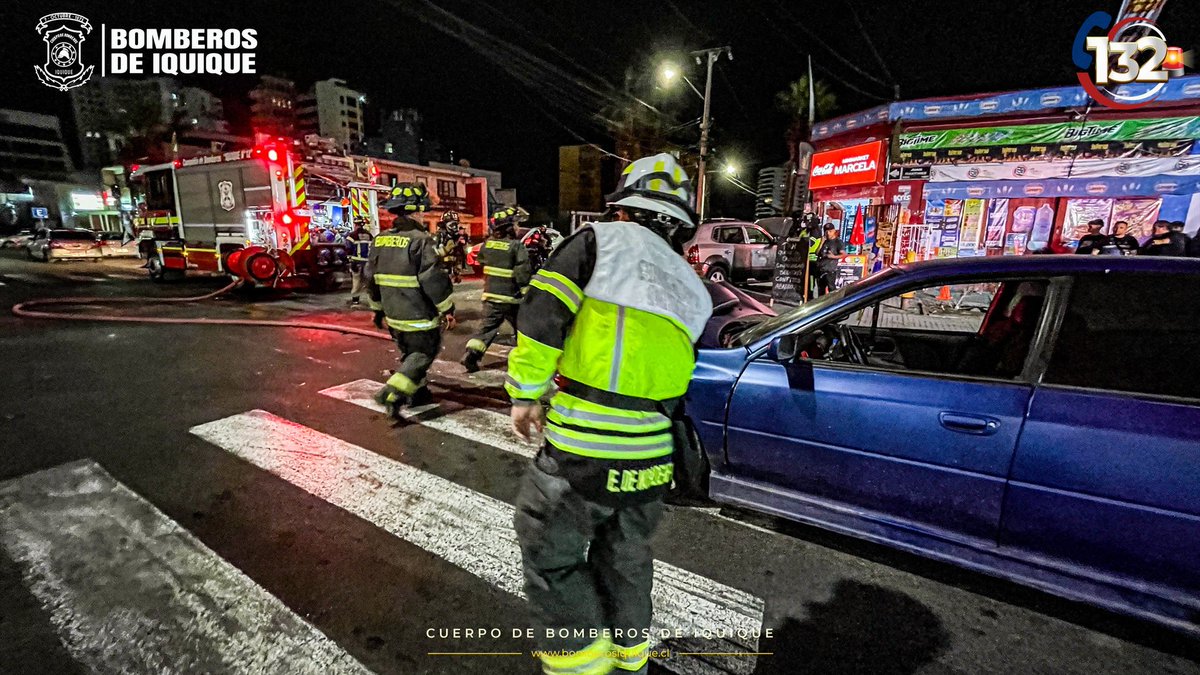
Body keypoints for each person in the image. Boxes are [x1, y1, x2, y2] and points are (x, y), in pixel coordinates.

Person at [508, 152, 713, 675]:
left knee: (550, 556)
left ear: (624, 206)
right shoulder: (694, 287)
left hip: (584, 451)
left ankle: (581, 666)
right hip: (652, 461)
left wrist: (526, 392)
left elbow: (542, 315)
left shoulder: (598, 242)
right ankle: (629, 661)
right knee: (626, 562)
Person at [367, 183, 457, 418]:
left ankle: (418, 392)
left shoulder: (380, 240)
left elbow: (371, 277)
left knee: (410, 353)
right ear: (415, 211)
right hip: (418, 314)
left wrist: (377, 310)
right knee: (424, 353)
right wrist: (447, 307)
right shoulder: (421, 240)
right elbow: (433, 279)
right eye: (422, 210)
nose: (423, 214)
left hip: (393, 316)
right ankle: (394, 391)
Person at [460, 206, 531, 373]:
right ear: (509, 227)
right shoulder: (516, 246)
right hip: (512, 299)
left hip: (490, 296)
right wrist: (526, 292)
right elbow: (522, 270)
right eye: (515, 225)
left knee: (486, 329)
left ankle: (472, 355)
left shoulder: (488, 244)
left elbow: (481, 260)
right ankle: (527, 362)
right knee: (524, 330)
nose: (517, 227)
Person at [345, 219, 373, 306]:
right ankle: (371, 301)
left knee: (356, 282)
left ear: (355, 225)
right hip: (368, 263)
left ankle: (355, 301)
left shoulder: (352, 235)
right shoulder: (369, 235)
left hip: (356, 262)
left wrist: (350, 260)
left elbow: (348, 248)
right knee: (368, 282)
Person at [434, 210, 466, 284]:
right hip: (440, 272)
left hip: (450, 273)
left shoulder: (456, 237)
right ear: (444, 224)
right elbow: (433, 254)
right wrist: (446, 249)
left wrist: (457, 271)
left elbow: (458, 255)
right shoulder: (439, 236)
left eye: (456, 224)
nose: (455, 227)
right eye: (452, 225)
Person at [815, 223, 845, 296]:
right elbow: (817, 253)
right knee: (820, 290)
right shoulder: (825, 241)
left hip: (830, 270)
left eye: (830, 231)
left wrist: (833, 256)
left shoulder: (838, 242)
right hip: (821, 269)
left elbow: (844, 254)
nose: (828, 233)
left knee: (831, 289)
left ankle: (833, 305)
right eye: (826, 232)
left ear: (834, 231)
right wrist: (821, 242)